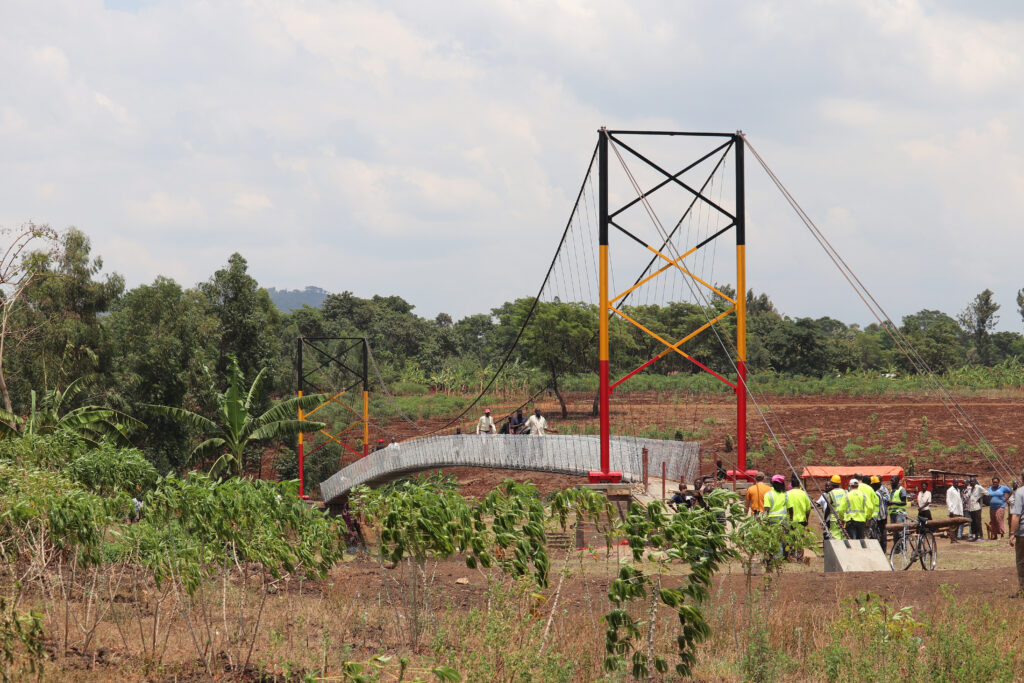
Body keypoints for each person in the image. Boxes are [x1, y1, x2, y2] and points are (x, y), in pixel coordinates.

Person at [1007, 471, 1024, 597]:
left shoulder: (1019, 493)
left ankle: (1023, 589)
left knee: (1021, 561)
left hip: (1022, 532)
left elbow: (1016, 515)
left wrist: (1012, 533)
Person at [815, 475, 846, 540]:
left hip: (835, 519)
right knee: (844, 535)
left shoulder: (830, 494)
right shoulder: (845, 492)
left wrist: (825, 519)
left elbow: (828, 508)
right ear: (839, 483)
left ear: (832, 483)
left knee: (835, 535)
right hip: (845, 517)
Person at [869, 476, 889, 553]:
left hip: (879, 517)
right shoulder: (880, 492)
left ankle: (881, 550)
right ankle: (883, 550)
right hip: (882, 515)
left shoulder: (876, 493)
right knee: (882, 533)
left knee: (879, 533)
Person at [965, 477, 985, 541]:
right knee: (973, 523)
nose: (971, 483)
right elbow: (967, 497)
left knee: (978, 522)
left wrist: (980, 497)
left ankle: (981, 536)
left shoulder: (978, 487)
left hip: (977, 508)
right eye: (970, 482)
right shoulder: (969, 488)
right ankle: (976, 536)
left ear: (975, 481)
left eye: (973, 481)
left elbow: (986, 493)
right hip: (971, 508)